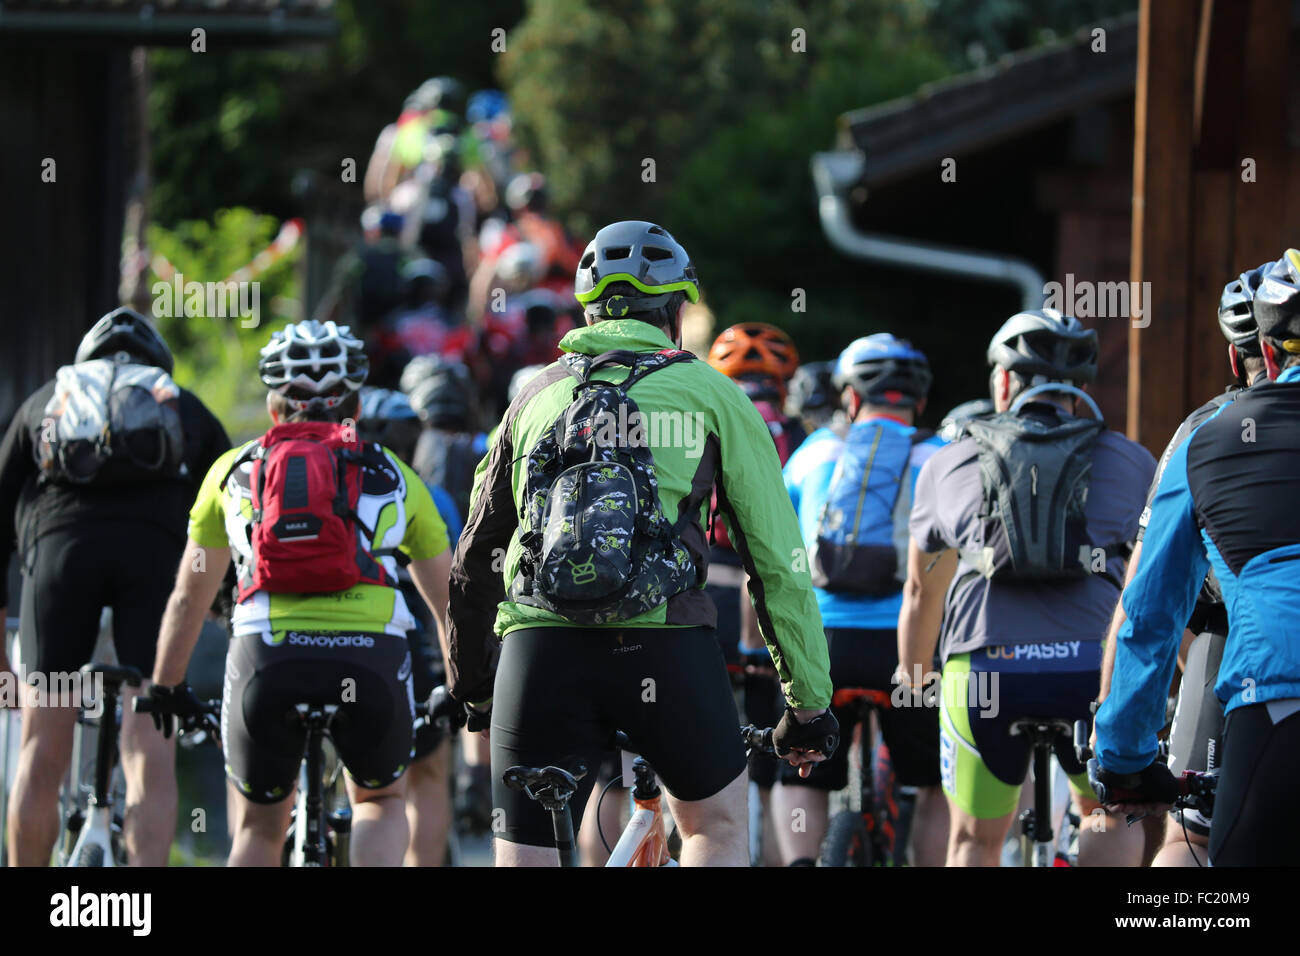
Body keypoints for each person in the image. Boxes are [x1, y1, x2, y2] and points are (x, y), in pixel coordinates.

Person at [445, 220, 837, 866]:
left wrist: (477, 689)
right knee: (715, 827)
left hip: (540, 654)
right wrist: (807, 704)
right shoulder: (715, 394)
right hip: (665, 647)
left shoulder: (534, 397)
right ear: (676, 311)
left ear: (587, 309)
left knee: (527, 850)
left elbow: (474, 562)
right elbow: (778, 565)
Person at [144, 320, 452, 867]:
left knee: (260, 828)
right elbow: (450, 600)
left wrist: (167, 687)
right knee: (380, 801)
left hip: (266, 658)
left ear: (272, 406)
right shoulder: (394, 474)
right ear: (354, 405)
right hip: (371, 659)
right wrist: (462, 688)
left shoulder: (230, 472)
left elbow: (189, 598)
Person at [901, 308, 1155, 866]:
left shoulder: (950, 460)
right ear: (1079, 389)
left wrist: (917, 676)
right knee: (1106, 813)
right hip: (1094, 668)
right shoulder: (1132, 460)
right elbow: (1160, 581)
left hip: (987, 670)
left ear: (1003, 381)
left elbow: (923, 591)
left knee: (972, 840)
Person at [0, 307, 230, 865]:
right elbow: (231, 503)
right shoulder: (180, 403)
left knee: (41, 747)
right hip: (152, 561)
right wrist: (221, 606)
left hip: (59, 557)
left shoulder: (46, 401)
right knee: (149, 744)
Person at [1093, 251, 1300, 866]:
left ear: (1263, 355)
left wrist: (1125, 758)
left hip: (1278, 696)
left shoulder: (1206, 440)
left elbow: (1150, 613)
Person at [775, 333, 949, 866]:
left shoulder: (814, 454)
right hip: (911, 648)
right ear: (918, 402)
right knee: (938, 783)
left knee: (800, 771)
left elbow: (778, 546)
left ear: (850, 398)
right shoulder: (941, 457)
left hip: (825, 644)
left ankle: (806, 863)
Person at [704, 322, 804, 865]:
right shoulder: (800, 436)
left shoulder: (699, 420)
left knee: (689, 755)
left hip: (704, 597)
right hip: (770, 604)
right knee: (773, 761)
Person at [355, 387, 461, 866]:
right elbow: (457, 587)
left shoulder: (337, 489)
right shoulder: (429, 495)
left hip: (344, 643)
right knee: (427, 776)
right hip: (417, 650)